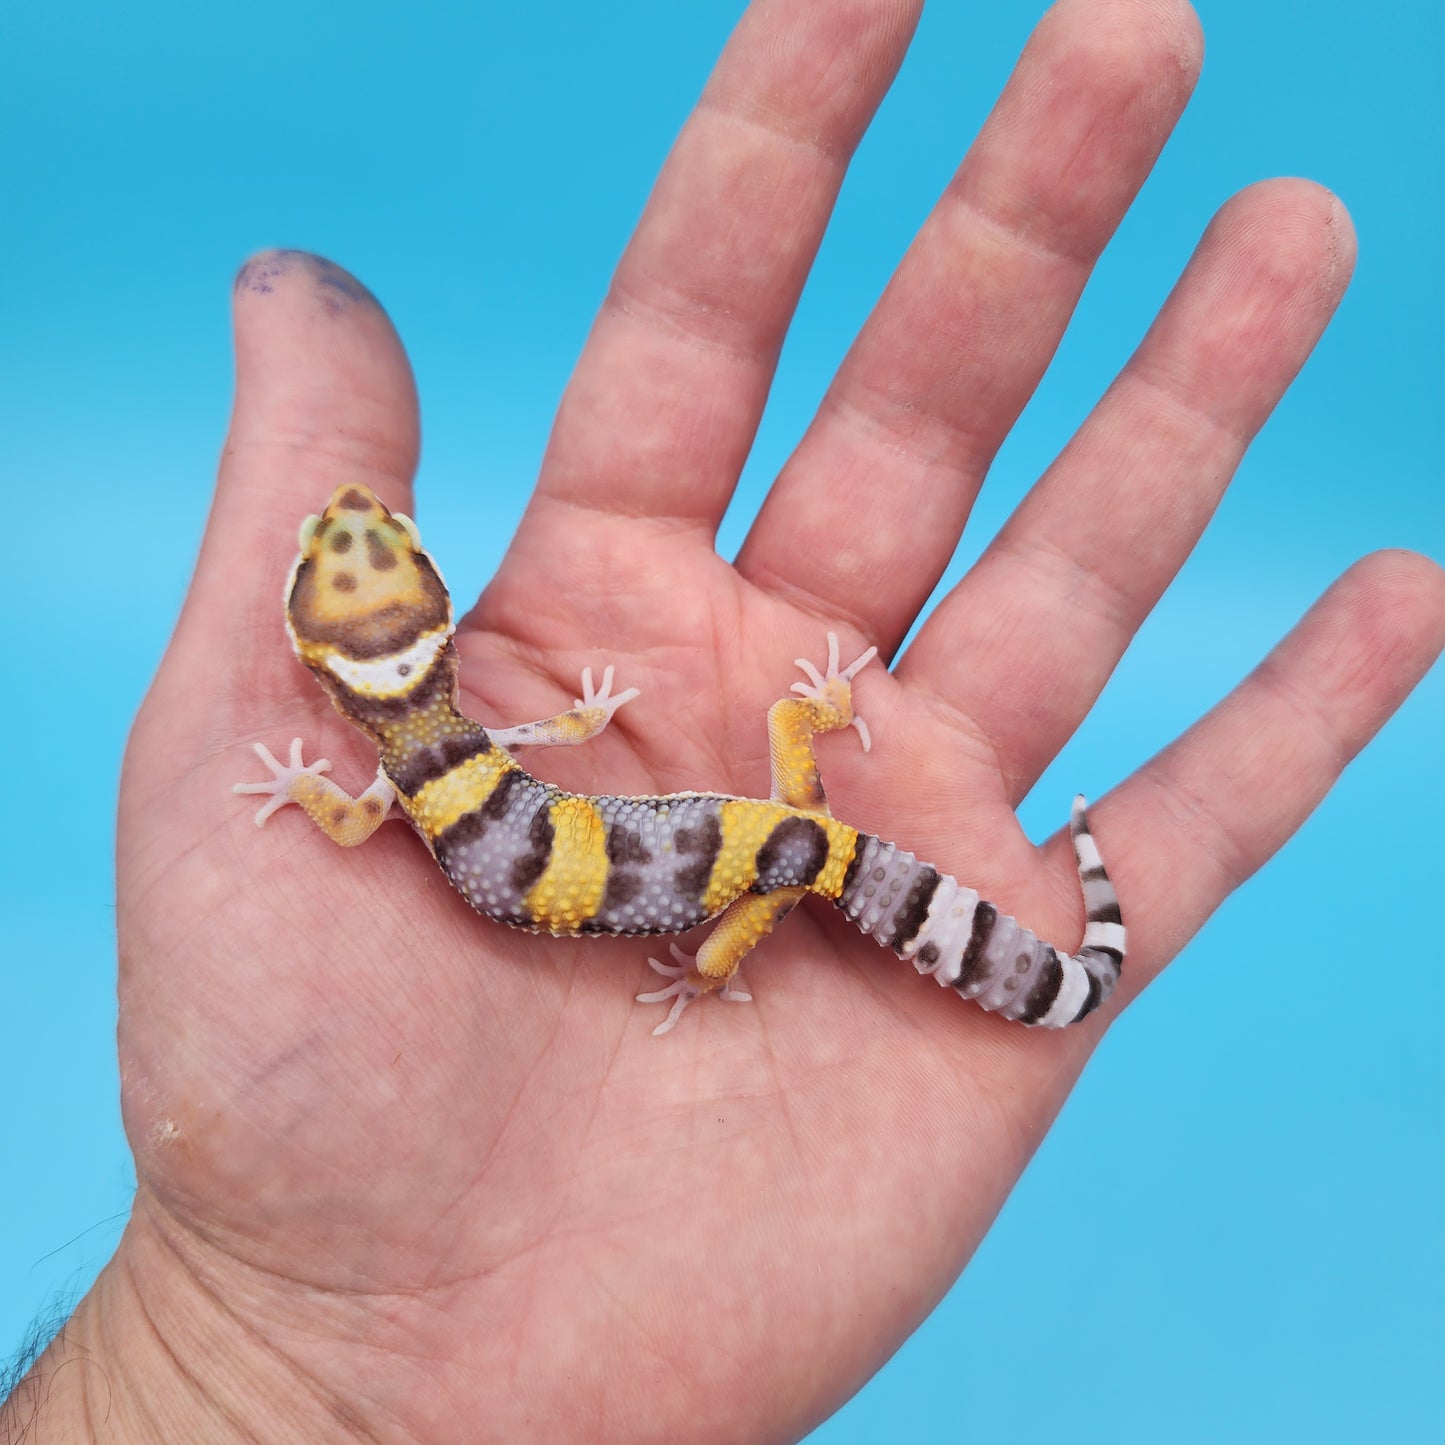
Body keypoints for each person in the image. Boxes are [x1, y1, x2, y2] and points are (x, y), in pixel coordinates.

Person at [6, 0, 1442, 1440]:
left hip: (762, 856)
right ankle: (1046, 956)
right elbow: (513, 762)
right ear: (411, 621)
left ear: (336, 655)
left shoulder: (399, 776)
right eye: (354, 543)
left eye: (358, 536)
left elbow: (362, 813)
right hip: (757, 837)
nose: (349, 518)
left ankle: (1060, 970)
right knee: (782, 864)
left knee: (770, 890)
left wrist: (677, 941)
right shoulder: (453, 758)